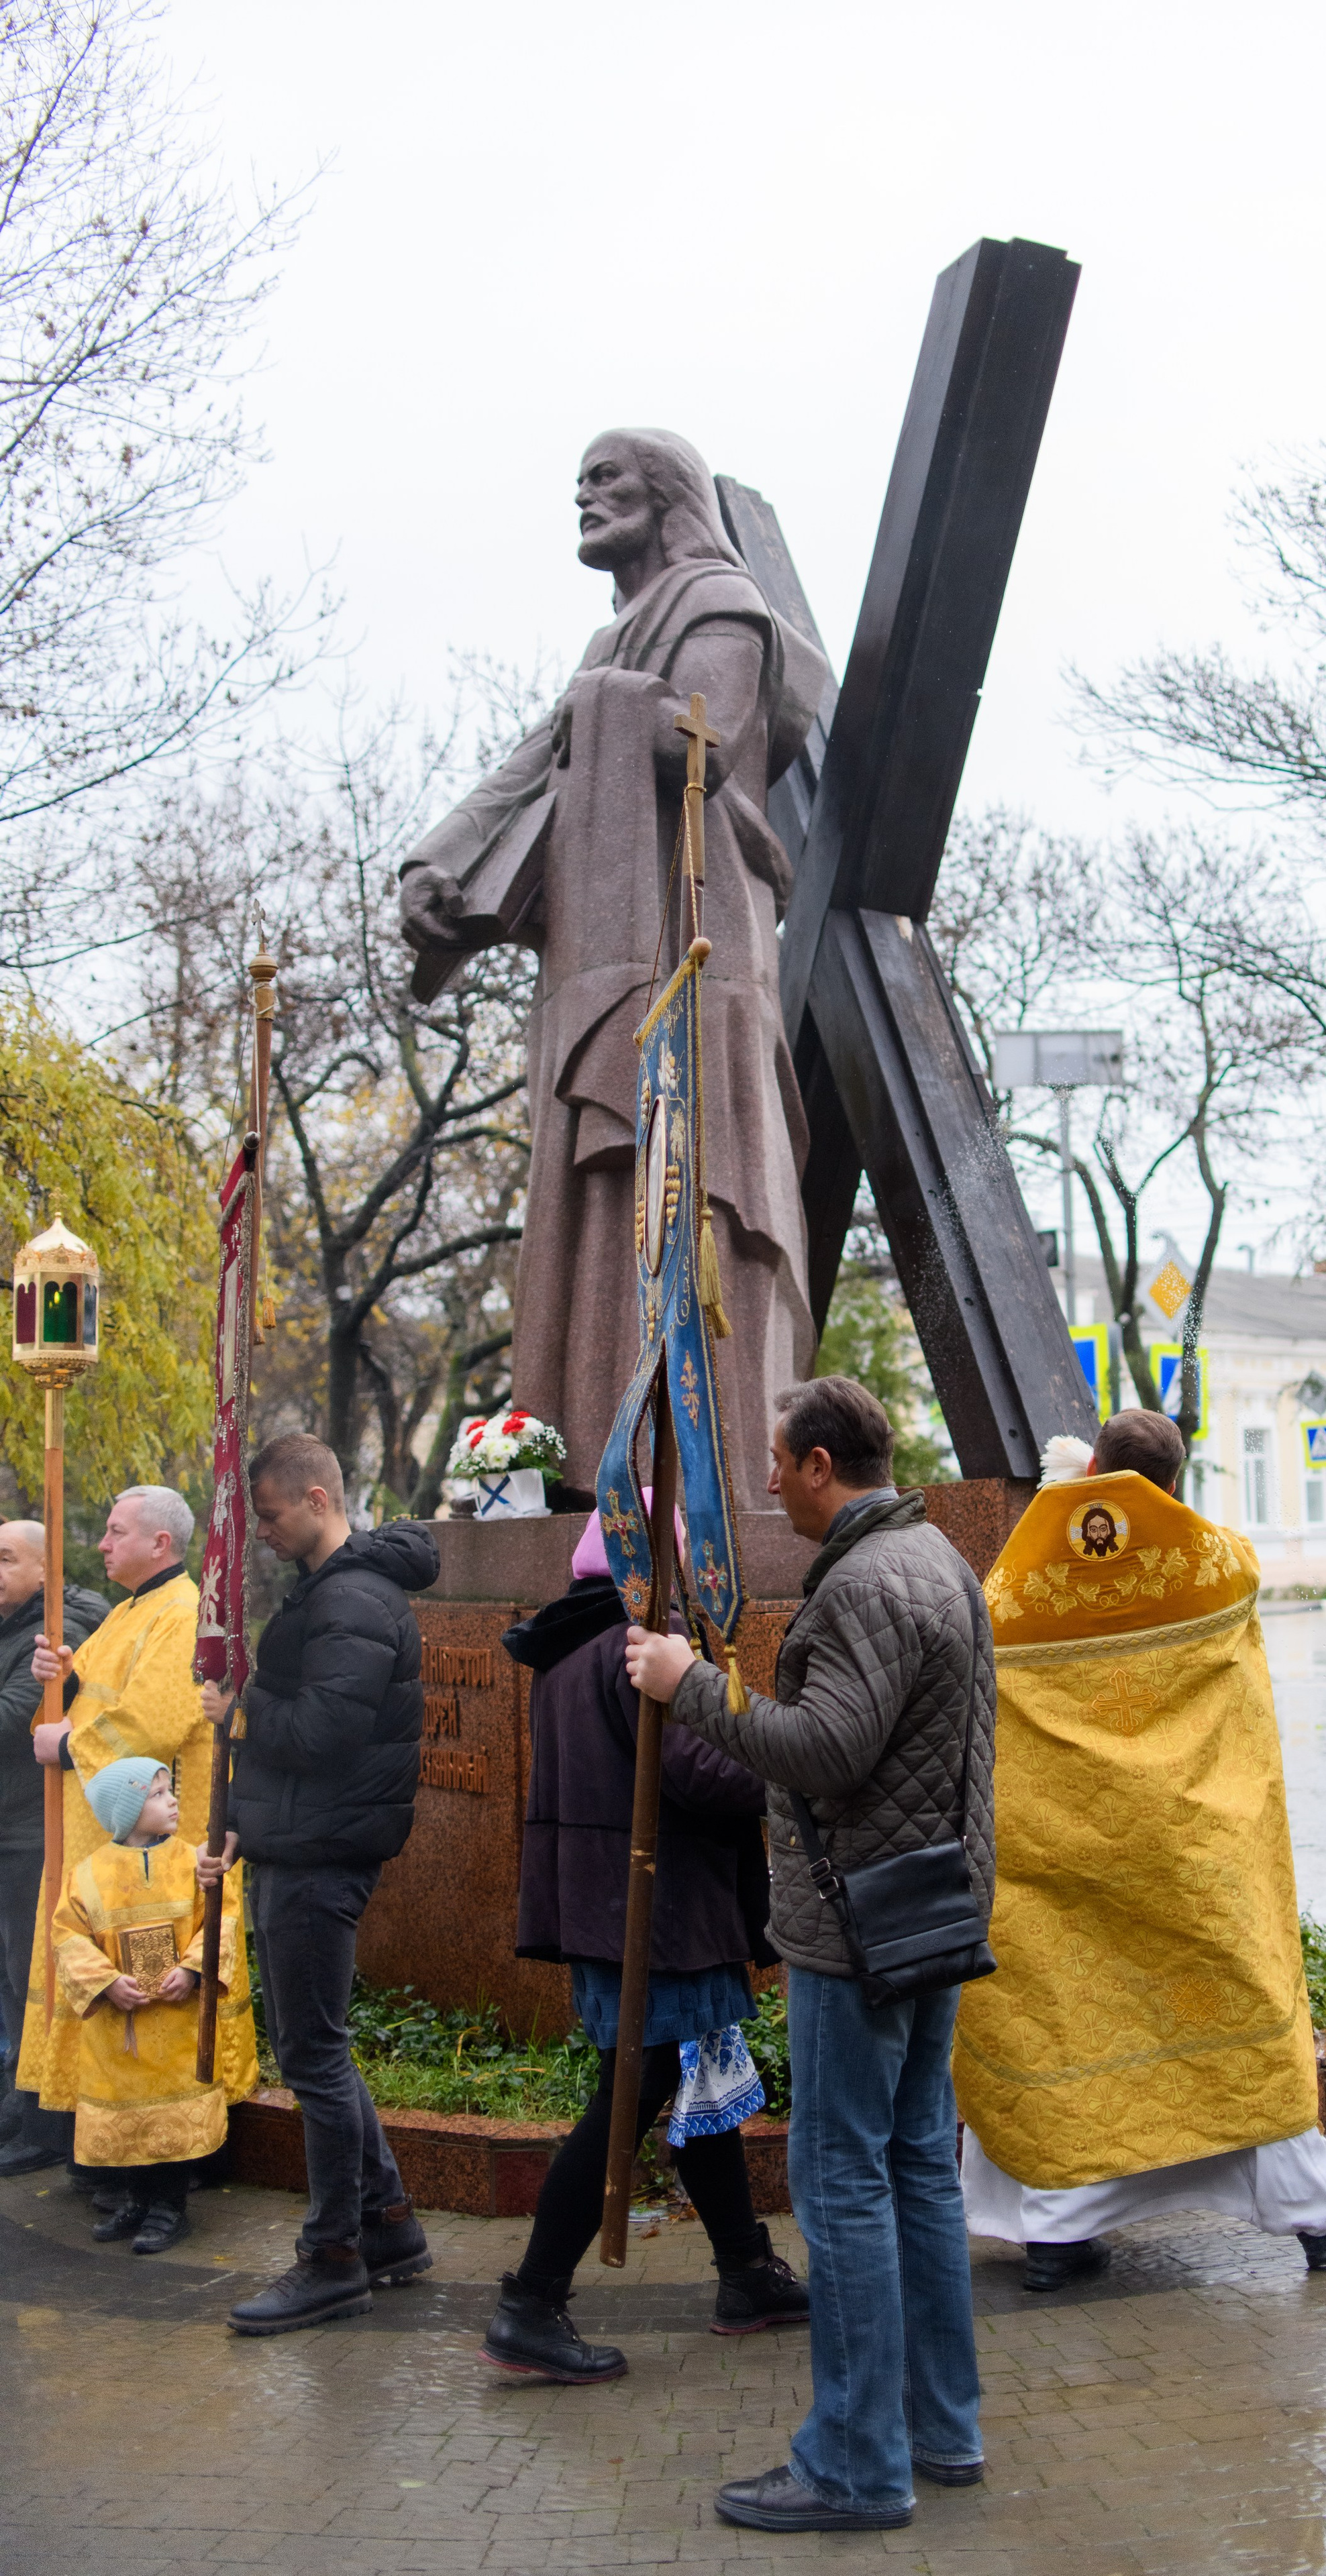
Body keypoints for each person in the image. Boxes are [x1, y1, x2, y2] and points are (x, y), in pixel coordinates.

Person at [399, 428, 829, 1502]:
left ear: (667, 494)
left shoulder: (719, 603)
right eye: (579, 483)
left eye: (607, 480)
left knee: (696, 1172)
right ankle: (591, 1456)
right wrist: (439, 859)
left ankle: (700, 1468)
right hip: (607, 953)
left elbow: (709, 739)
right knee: (607, 1181)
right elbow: (533, 759)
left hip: (697, 939)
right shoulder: (610, 648)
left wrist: (608, 716)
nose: (584, 499)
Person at [626, 1377, 995, 2534]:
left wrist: (690, 1689)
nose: (769, 1481)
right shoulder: (934, 1558)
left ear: (825, 1464)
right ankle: (943, 2430)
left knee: (844, 2182)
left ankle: (854, 2462)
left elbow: (826, 1749)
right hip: (932, 1908)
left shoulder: (864, 1586)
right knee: (921, 2169)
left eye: (780, 1462)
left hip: (860, 1932)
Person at [955, 1407, 1326, 2288]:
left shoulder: (1017, 1588)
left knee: (1067, 2034)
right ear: (1173, 1485)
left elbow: (989, 1636)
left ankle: (1053, 2236)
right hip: (1187, 1858)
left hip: (1063, 1861)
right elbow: (1233, 1565)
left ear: (1092, 1474)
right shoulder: (1212, 1568)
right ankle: (1317, 2217)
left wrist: (1066, 1507)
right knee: (1238, 2024)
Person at [482, 1501, 808, 2383]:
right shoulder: (638, 1647)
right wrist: (785, 1751)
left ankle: (746, 2272)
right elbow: (700, 1773)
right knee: (630, 2097)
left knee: (683, 2080)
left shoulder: (570, 1640)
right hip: (656, 1915)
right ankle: (532, 2301)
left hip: (622, 1913)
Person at [197, 1432, 439, 2335]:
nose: (260, 1531)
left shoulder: (357, 1599)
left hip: (323, 1854)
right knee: (320, 2052)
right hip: (304, 1842)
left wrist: (243, 1709)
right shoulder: (333, 1591)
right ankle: (389, 2227)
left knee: (314, 2059)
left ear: (315, 1497)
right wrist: (237, 1821)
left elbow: (323, 1736)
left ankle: (333, 2258)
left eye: (268, 1514)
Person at [3, 1487, 258, 2182]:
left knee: (151, 1992)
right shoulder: (124, 1613)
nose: (102, 1545)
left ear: (160, 1544)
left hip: (155, 1838)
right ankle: (75, 2128)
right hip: (96, 1835)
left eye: (115, 1532)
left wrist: (65, 1743)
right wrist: (59, 1680)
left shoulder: (181, 1615)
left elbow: (153, 1721)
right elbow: (88, 1702)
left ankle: (162, 2166)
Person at [52, 1756, 238, 2253]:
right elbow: (68, 1937)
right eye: (156, 1794)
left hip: (177, 2025)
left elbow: (220, 1917)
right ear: (126, 1810)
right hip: (120, 2028)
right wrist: (106, 1982)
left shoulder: (194, 1864)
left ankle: (170, 2207)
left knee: (170, 2118)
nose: (173, 1799)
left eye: (168, 1789)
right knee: (130, 2117)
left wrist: (194, 1968)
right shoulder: (89, 1874)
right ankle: (136, 2201)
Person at [0, 1519, 107, 2155]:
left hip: (29, 1832)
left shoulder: (61, 1629)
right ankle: (17, 2099)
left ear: (47, 1571)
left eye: (6, 1559)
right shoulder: (11, 1624)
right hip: (6, 1820)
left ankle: (41, 2116)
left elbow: (17, 1715)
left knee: (26, 1974)